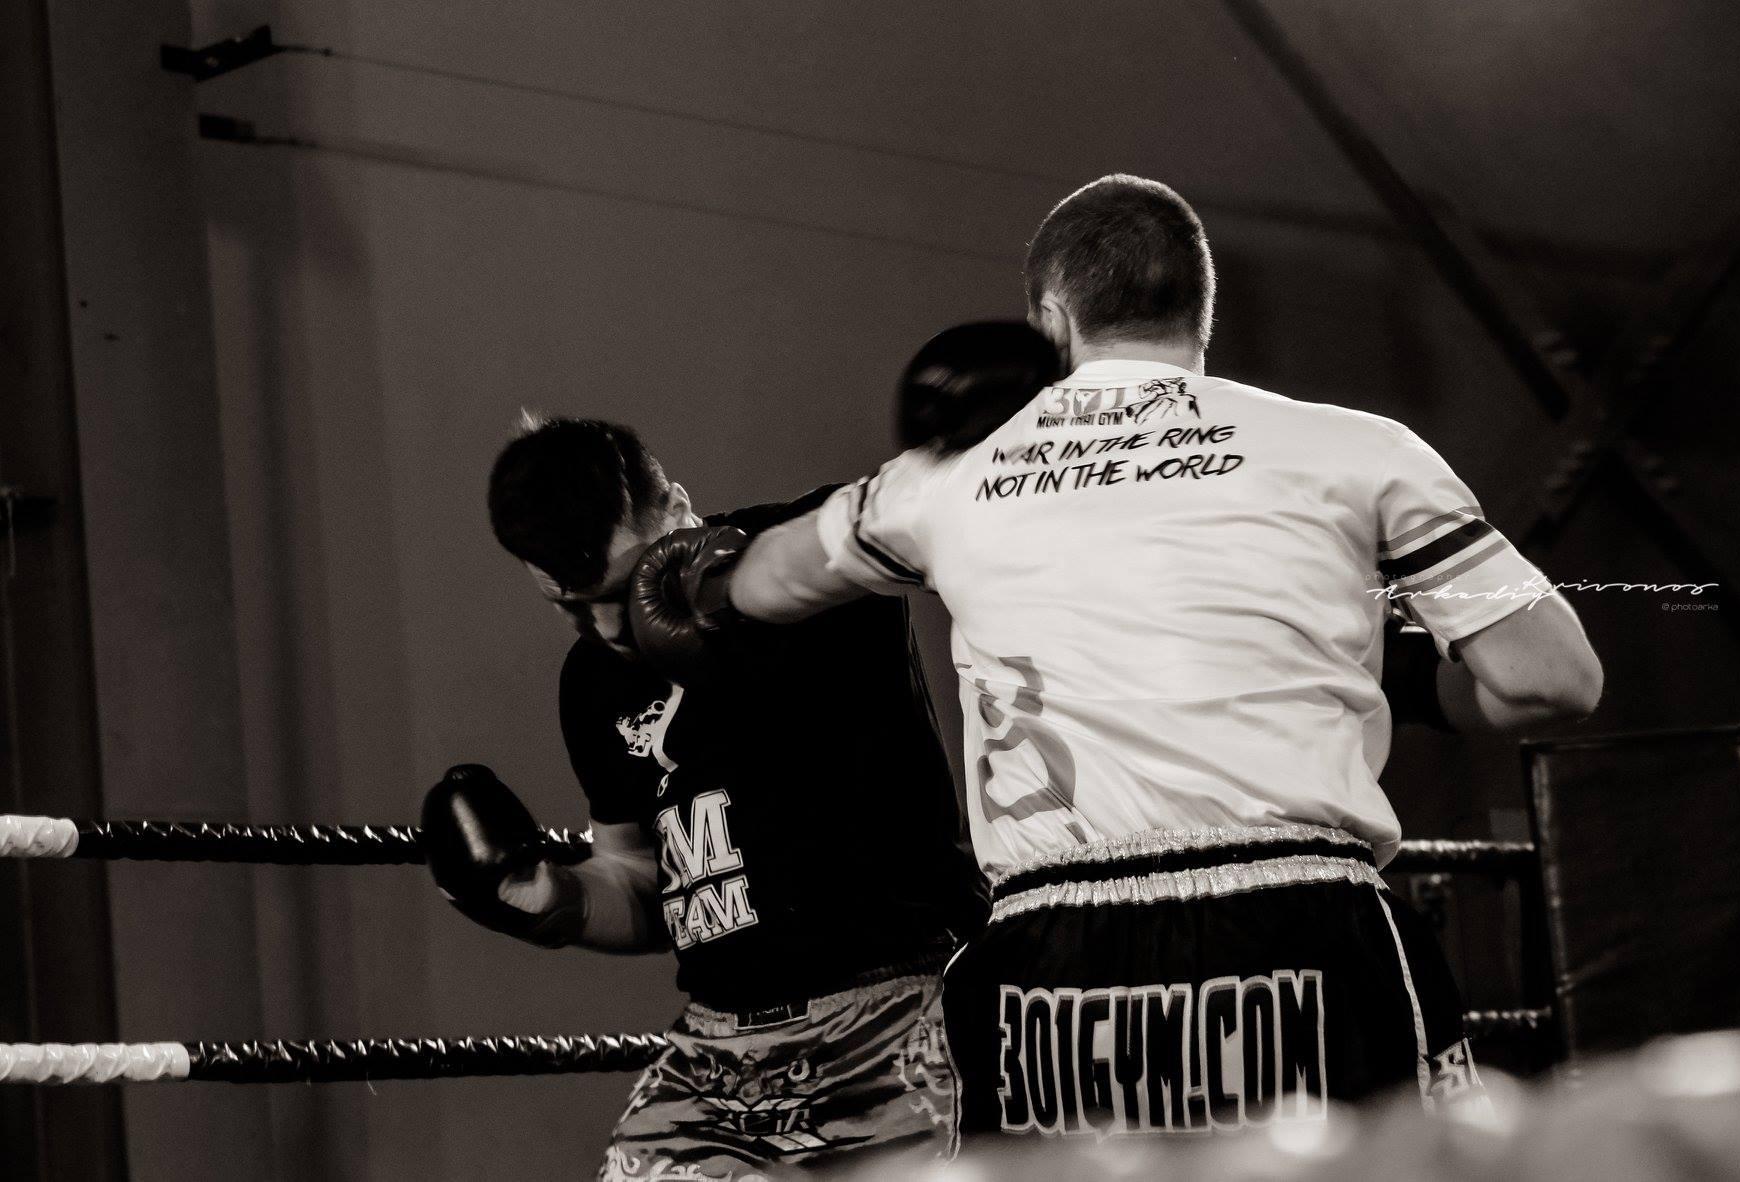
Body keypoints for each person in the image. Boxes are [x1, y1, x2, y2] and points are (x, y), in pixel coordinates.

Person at [631, 175, 1604, 1140]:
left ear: (1051, 319)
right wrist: (1405, 679)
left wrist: (690, 577)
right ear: (1200, 310)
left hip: (1054, 960)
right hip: (1304, 925)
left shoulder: (946, 478)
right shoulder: (1357, 451)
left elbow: (765, 584)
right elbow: (1552, 680)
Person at [420, 416, 986, 1179]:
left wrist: (739, 596)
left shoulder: (815, 553)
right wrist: (541, 899)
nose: (606, 626)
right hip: (718, 1051)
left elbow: (960, 513)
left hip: (895, 1014)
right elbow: (639, 881)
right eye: (571, 606)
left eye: (619, 589)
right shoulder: (590, 681)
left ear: (680, 509)